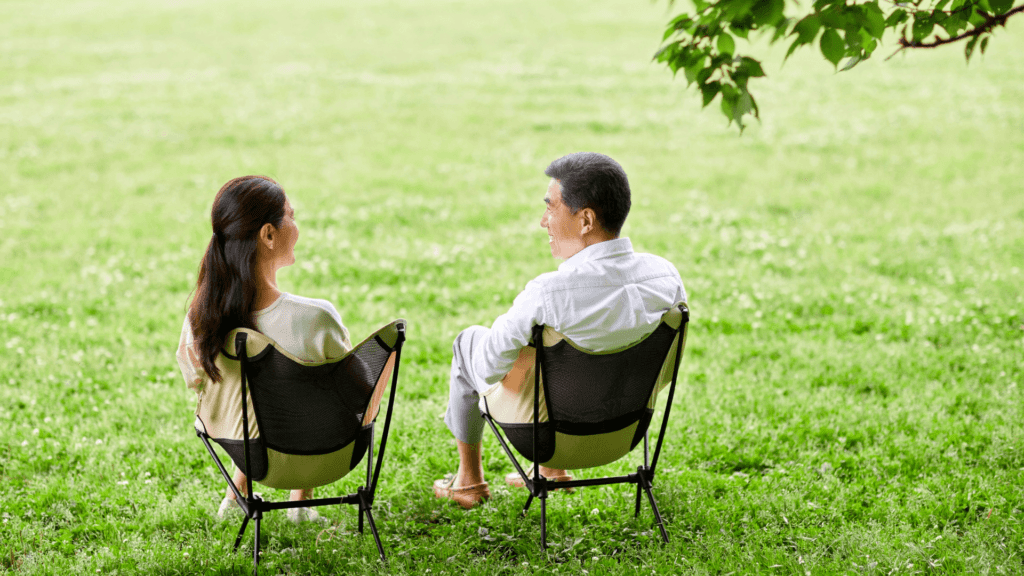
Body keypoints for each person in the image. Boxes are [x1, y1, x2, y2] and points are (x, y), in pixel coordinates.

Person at [434, 152, 687, 508]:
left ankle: (468, 482)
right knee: (548, 358)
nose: (543, 221)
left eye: (551, 208)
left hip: (545, 436)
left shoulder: (548, 293)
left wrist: (519, 362)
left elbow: (487, 369)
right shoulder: (665, 276)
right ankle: (552, 471)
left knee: (469, 342)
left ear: (585, 220)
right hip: (625, 432)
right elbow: (662, 373)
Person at [176, 175, 350, 523]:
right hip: (321, 455)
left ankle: (233, 498)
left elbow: (197, 383)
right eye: (291, 216)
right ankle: (300, 505)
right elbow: (352, 389)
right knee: (314, 388)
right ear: (269, 234)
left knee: (249, 397)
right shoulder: (315, 317)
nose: (297, 226)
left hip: (247, 448)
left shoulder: (202, 320)